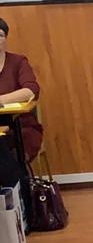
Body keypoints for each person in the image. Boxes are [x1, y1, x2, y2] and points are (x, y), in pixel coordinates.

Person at [0, 17, 43, 162]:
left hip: (20, 126)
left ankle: (18, 176)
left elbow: (32, 90)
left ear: (6, 39)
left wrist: (1, 100)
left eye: (0, 35)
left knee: (16, 147)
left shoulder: (18, 62)